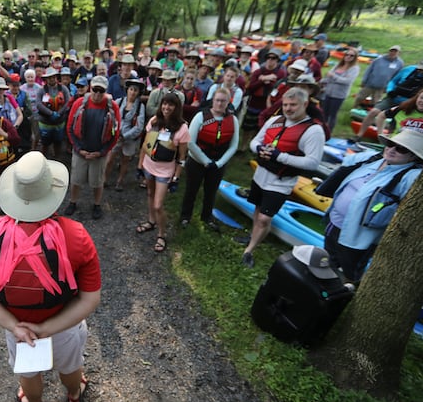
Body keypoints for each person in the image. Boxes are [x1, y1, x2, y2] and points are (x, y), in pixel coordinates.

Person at [0, 151, 101, 402]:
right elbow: (89, 299)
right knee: (71, 365)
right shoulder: (76, 235)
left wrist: (15, 327)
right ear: (53, 192)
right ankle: (75, 394)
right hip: (63, 322)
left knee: (28, 373)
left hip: (16, 324)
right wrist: (48, 328)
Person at [323, 129, 422, 281]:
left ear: (413, 156)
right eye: (390, 144)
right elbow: (349, 159)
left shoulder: (410, 176)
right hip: (334, 223)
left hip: (359, 238)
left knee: (350, 275)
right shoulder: (373, 159)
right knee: (327, 262)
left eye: (401, 148)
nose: (392, 150)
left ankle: (344, 297)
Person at [242, 87, 325, 268]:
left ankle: (249, 250)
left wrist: (280, 157)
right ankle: (252, 236)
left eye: (293, 105)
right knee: (257, 209)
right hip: (260, 176)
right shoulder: (274, 120)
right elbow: (255, 141)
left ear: (304, 104)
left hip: (281, 183)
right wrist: (259, 149)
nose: (288, 109)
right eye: (286, 104)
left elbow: (312, 163)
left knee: (265, 218)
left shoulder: (314, 131)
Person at [135, 93, 189, 253]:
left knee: (158, 205)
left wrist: (176, 177)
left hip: (165, 171)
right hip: (148, 166)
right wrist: (139, 166)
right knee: (150, 194)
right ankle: (151, 221)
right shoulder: (153, 121)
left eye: (170, 105)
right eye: (164, 104)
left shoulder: (182, 128)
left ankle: (162, 234)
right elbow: (145, 145)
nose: (167, 107)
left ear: (176, 107)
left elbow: (182, 157)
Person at [180, 87, 239, 231]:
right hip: (197, 161)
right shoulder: (201, 116)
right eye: (217, 100)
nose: (220, 104)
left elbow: (233, 146)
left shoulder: (233, 120)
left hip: (217, 163)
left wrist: (218, 164)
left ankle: (207, 216)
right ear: (213, 100)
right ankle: (185, 216)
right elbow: (190, 142)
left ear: (228, 102)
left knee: (211, 192)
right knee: (191, 190)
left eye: (223, 101)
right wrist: (205, 161)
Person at [63, 75, 120, 219]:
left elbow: (115, 133)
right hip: (80, 150)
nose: (98, 94)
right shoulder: (79, 103)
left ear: (106, 91)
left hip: (98, 153)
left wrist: (102, 152)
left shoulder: (112, 107)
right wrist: (78, 149)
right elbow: (70, 127)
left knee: (97, 181)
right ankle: (73, 201)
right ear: (90, 88)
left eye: (101, 91)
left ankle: (97, 204)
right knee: (76, 179)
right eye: (95, 89)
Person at [353, 61, 423, 143]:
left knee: (396, 124)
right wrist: (390, 91)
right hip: (394, 97)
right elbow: (393, 81)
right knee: (374, 112)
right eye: (420, 69)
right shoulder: (408, 69)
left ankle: (390, 140)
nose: (420, 71)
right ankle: (359, 135)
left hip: (409, 103)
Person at [105, 78, 145, 191]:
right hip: (116, 136)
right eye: (131, 89)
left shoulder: (140, 107)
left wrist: (125, 136)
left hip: (130, 138)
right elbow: (110, 117)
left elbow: (139, 126)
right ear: (127, 90)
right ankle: (104, 179)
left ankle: (120, 181)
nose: (132, 92)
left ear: (138, 93)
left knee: (125, 160)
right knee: (109, 159)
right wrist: (114, 133)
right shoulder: (119, 101)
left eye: (135, 90)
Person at [320, 47, 361, 130]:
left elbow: (347, 81)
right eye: (347, 54)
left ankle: (329, 131)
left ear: (355, 58)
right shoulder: (338, 65)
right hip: (328, 92)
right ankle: (321, 129)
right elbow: (328, 75)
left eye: (351, 56)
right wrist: (322, 81)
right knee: (324, 113)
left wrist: (334, 76)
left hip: (339, 95)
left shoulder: (354, 68)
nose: (348, 57)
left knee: (332, 114)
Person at [36, 67, 70, 159]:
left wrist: (59, 113)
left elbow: (67, 102)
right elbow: (38, 104)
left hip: (59, 121)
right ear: (46, 79)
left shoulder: (63, 89)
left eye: (54, 77)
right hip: (45, 122)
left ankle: (57, 159)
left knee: (58, 142)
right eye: (50, 77)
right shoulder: (41, 90)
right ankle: (43, 160)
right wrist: (51, 113)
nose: (52, 79)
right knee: (44, 143)